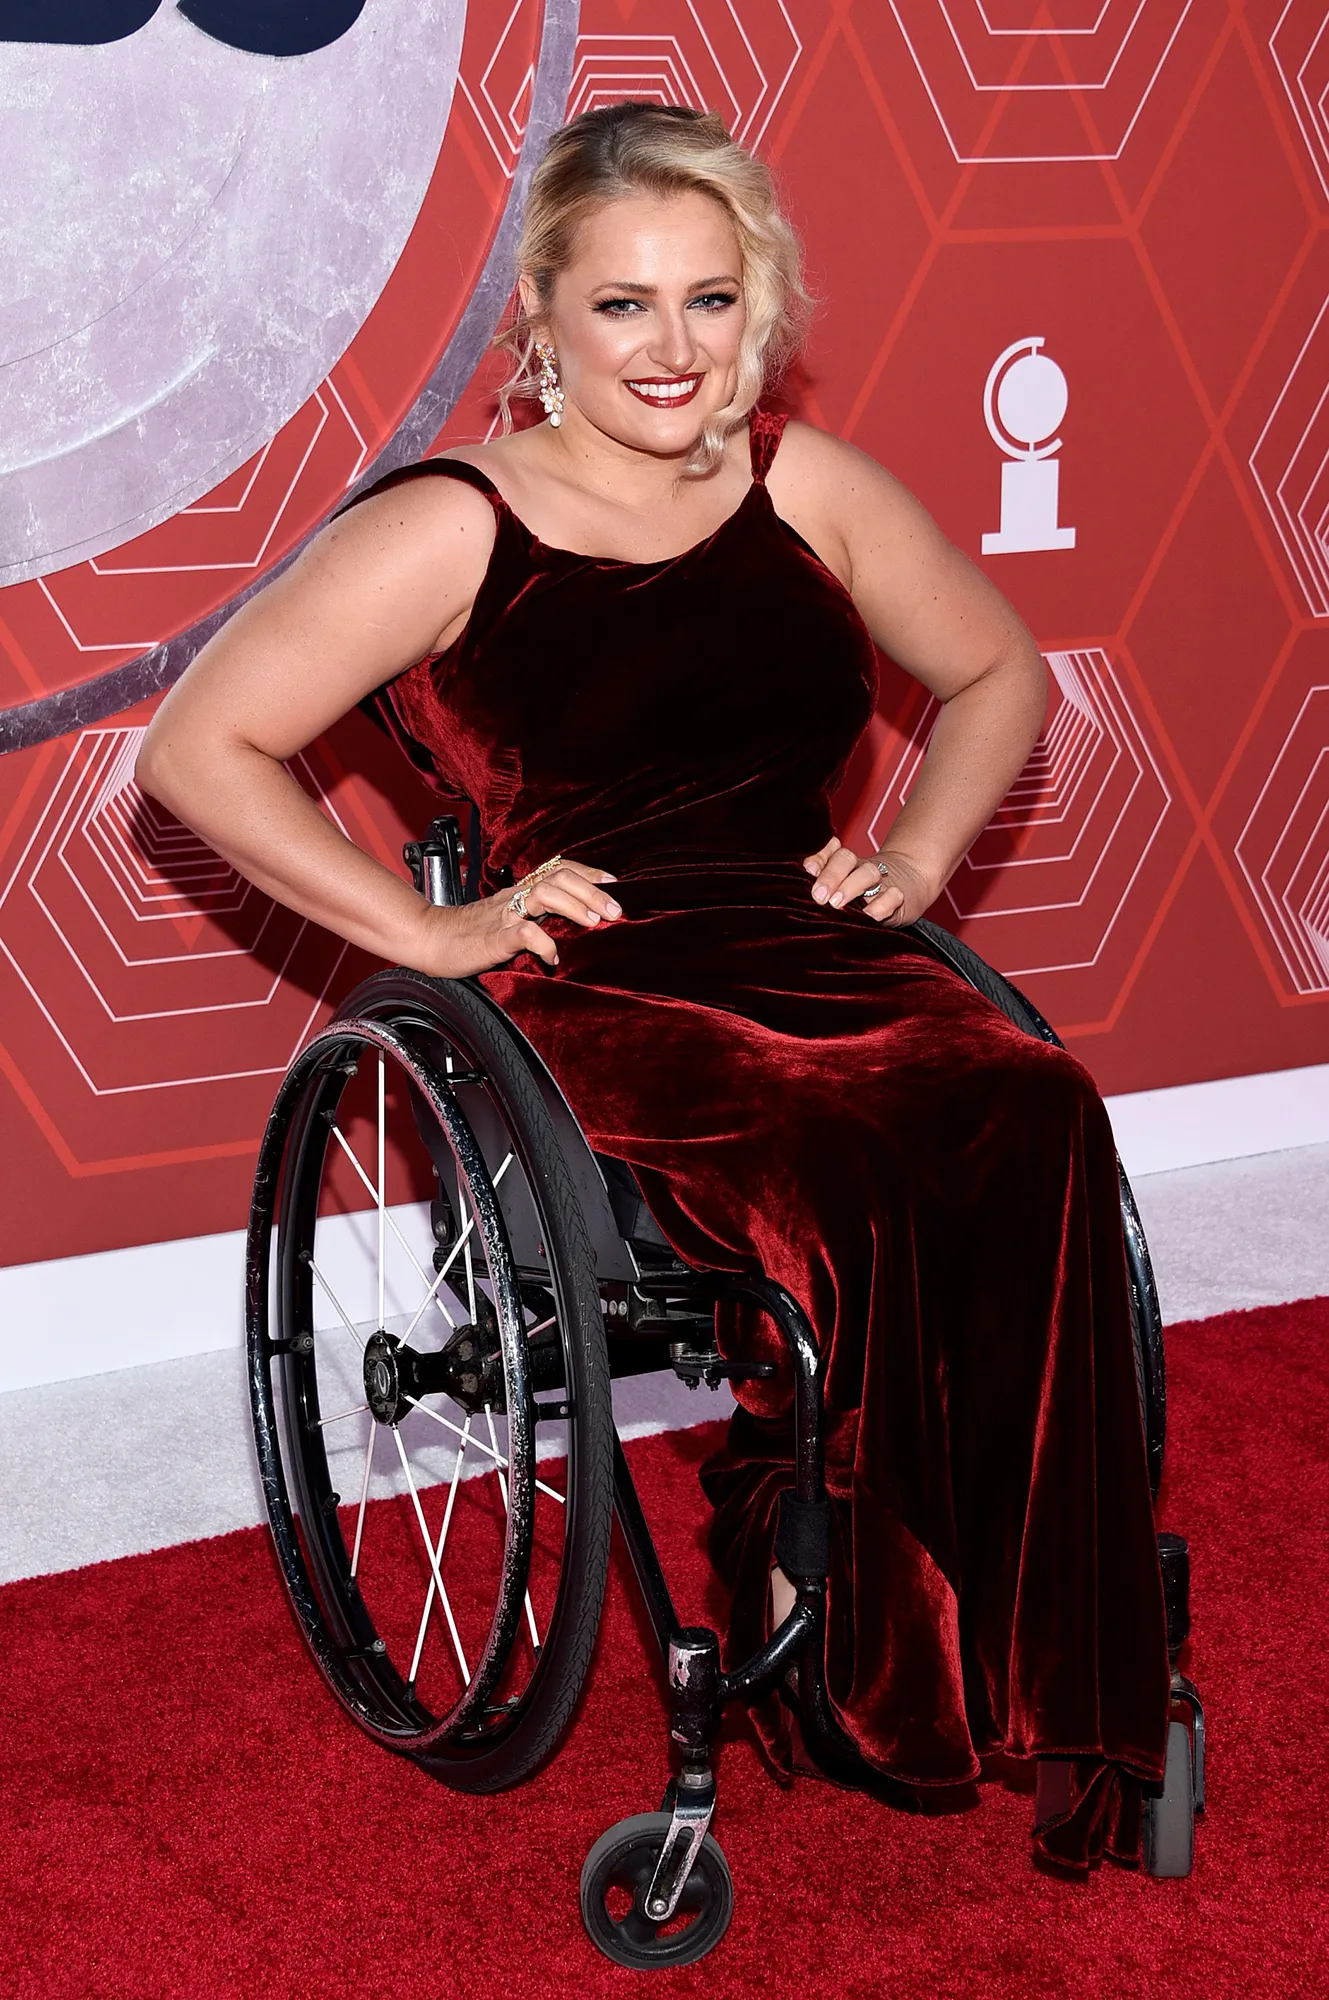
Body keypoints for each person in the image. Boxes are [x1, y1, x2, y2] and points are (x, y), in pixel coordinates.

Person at [136, 101, 1168, 1871]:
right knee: (839, 1151)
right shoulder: (453, 526)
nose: (673, 345)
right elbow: (195, 750)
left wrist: (917, 856)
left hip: (812, 934)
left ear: (759, 302)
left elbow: (1001, 669)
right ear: (541, 317)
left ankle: (1049, 1656)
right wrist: (432, 934)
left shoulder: (803, 486)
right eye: (623, 304)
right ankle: (855, 1613)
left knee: (1033, 1099)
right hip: (604, 972)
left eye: (710, 297)